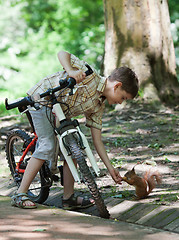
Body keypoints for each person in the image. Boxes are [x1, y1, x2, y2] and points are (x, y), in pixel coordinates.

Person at [11, 50, 139, 209]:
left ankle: (68, 198)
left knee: (72, 148)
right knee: (47, 145)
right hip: (42, 100)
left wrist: (110, 168)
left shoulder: (98, 106)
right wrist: (71, 71)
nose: (121, 102)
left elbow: (97, 141)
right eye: (123, 98)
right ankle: (20, 194)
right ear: (117, 86)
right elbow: (62, 53)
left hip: (60, 111)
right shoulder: (89, 74)